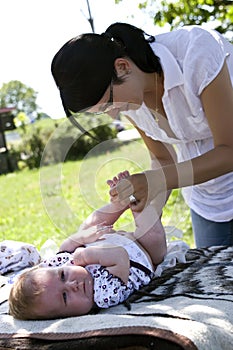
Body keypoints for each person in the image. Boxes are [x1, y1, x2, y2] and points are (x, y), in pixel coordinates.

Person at [51, 22, 233, 248]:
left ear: (123, 66)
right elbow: (164, 159)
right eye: (104, 111)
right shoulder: (131, 98)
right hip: (208, 202)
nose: (114, 114)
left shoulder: (196, 52)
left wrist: (155, 180)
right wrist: (148, 211)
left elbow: (229, 152)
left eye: (108, 103)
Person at [9, 171, 167, 320]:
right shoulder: (103, 295)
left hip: (107, 238)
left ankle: (118, 204)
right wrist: (83, 256)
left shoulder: (60, 266)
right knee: (154, 238)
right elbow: (119, 256)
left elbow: (66, 245)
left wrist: (82, 237)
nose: (72, 284)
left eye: (63, 275)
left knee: (86, 228)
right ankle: (139, 202)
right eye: (65, 296)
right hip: (143, 252)